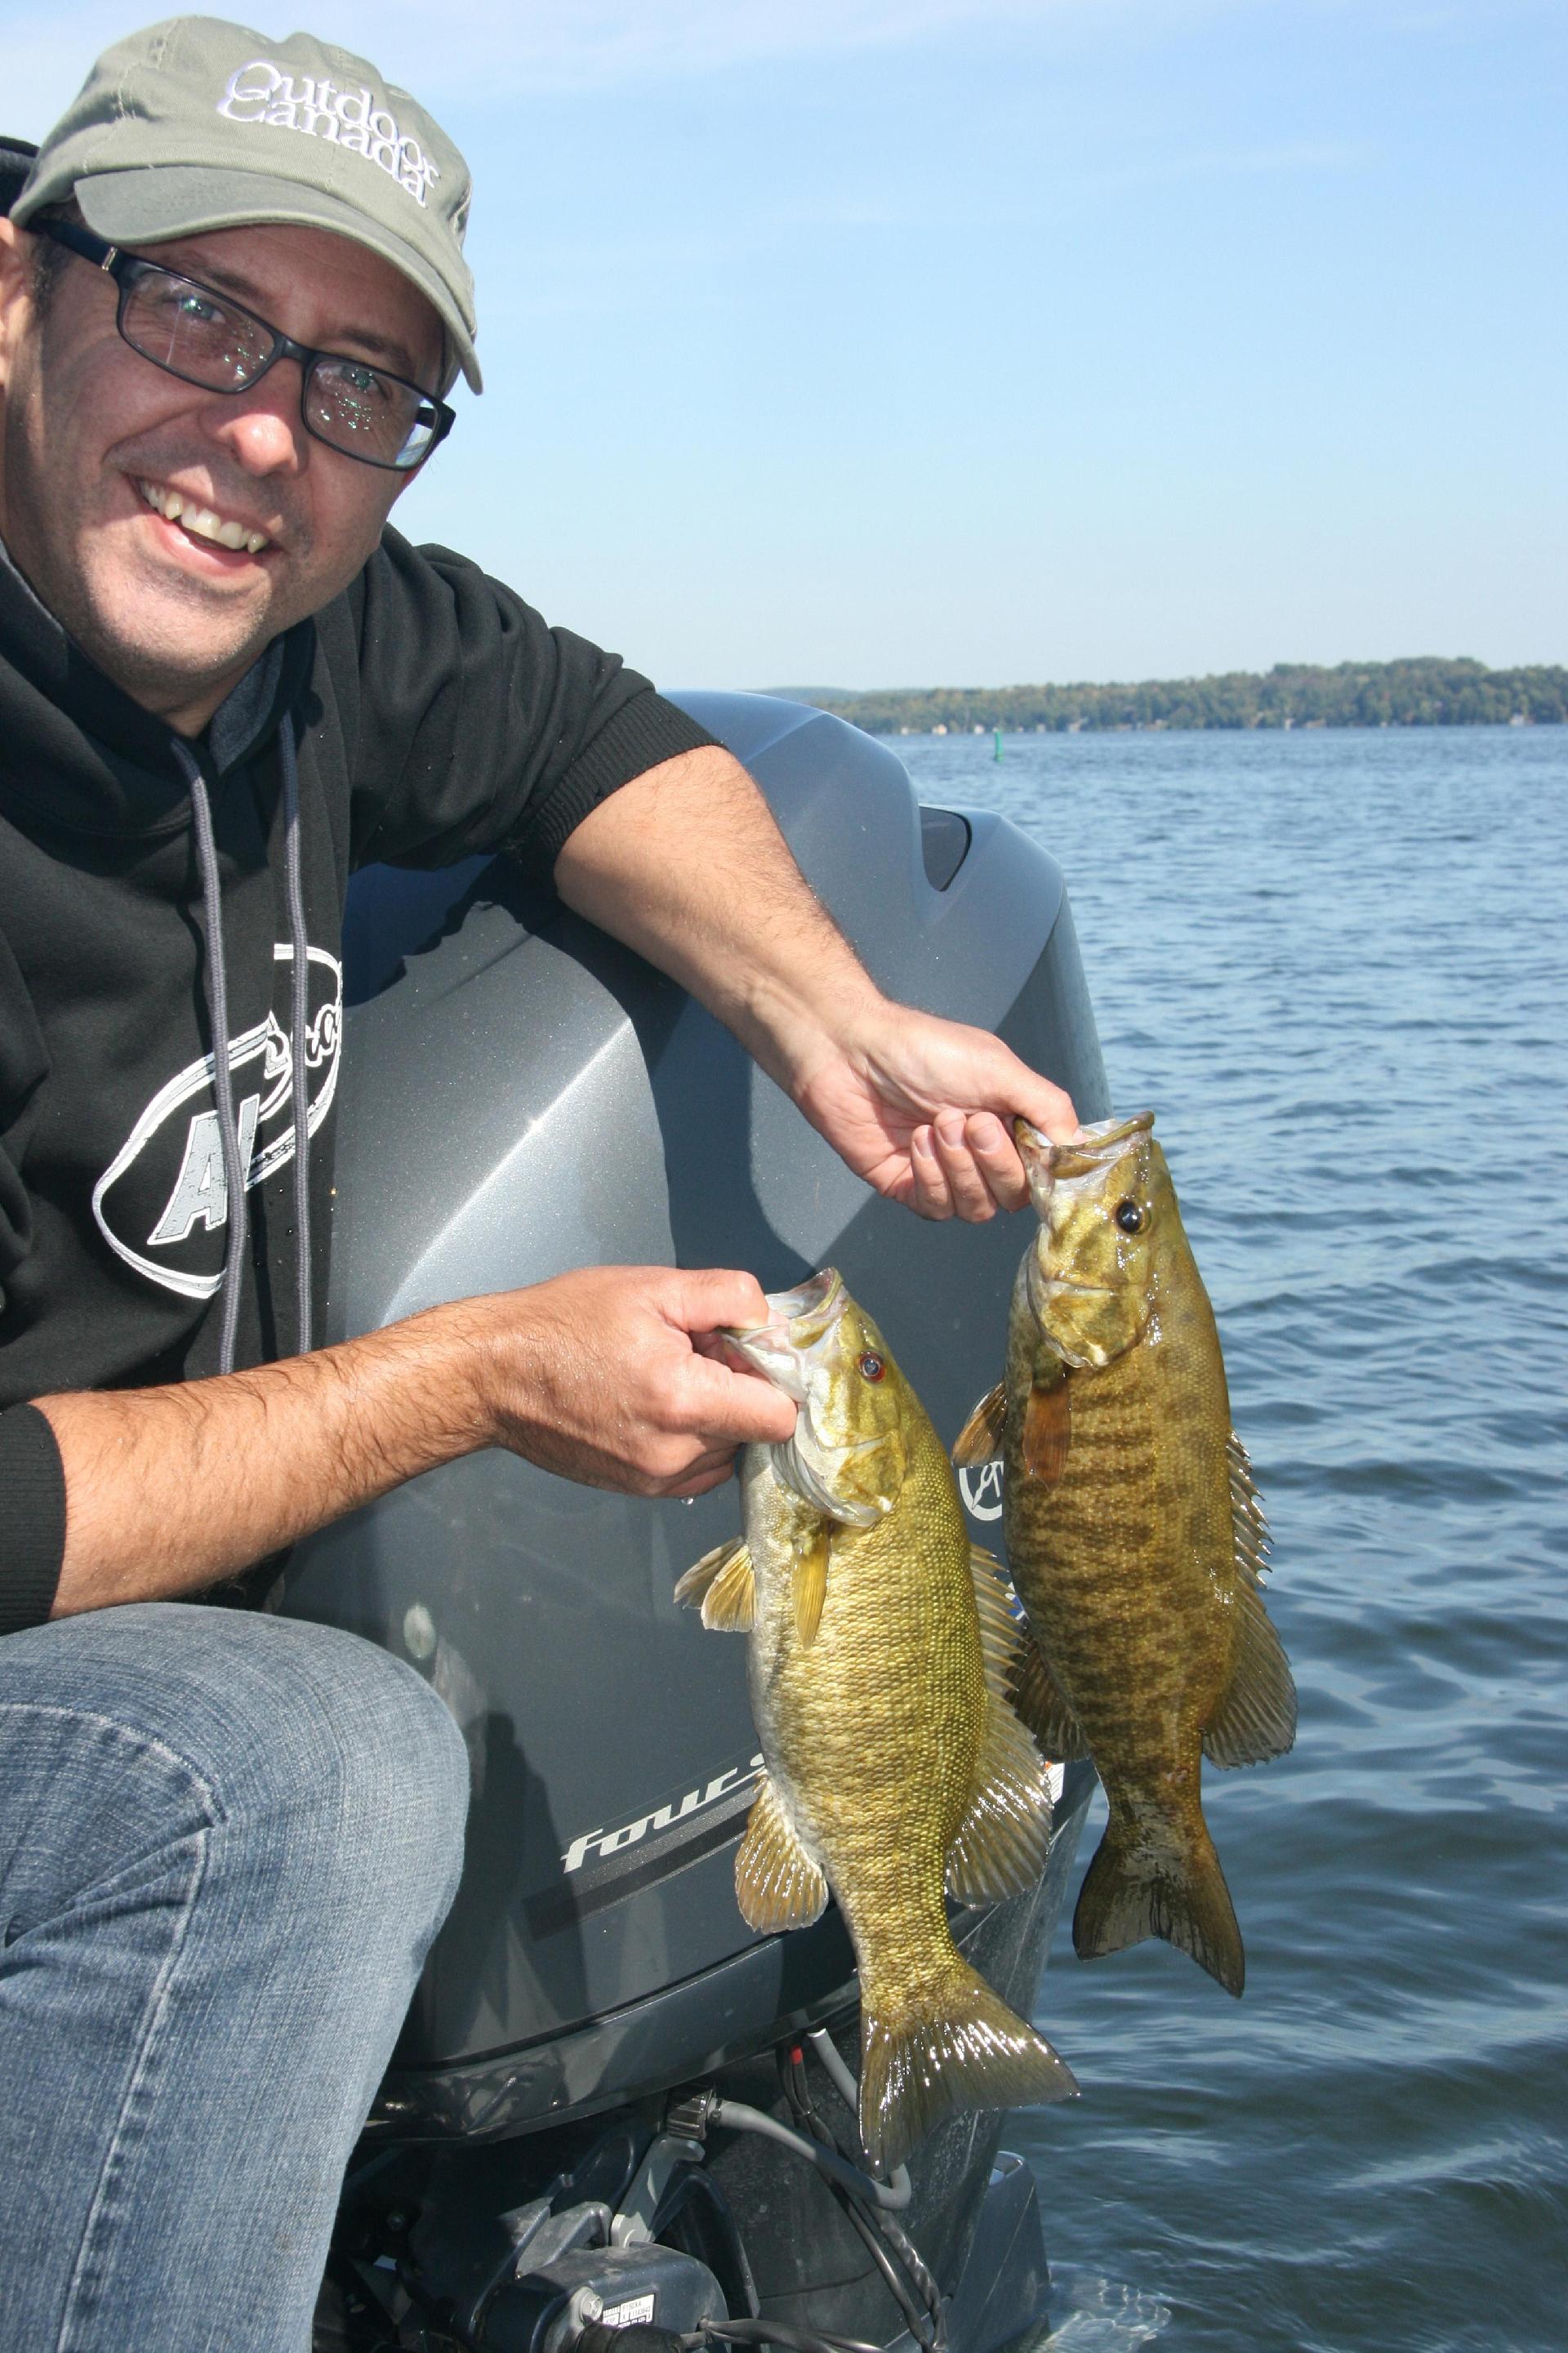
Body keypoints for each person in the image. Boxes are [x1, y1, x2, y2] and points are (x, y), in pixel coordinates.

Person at [0, 18, 1080, 2349]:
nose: (265, 428)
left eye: (365, 380)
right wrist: (470, 1377)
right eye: (196, 307)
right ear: (19, 290)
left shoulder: (304, 622)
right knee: (299, 1772)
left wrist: (831, 1010)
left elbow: (598, 734)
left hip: (137, 1599)